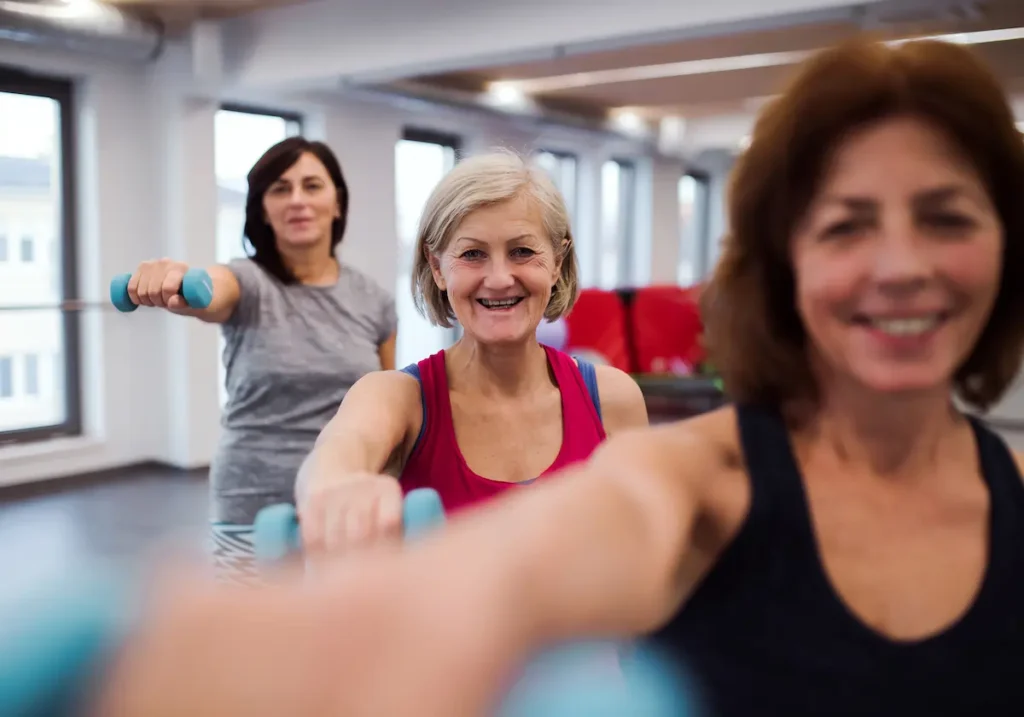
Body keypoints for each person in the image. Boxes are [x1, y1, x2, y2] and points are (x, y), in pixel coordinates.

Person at [87, 36, 1024, 717]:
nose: (902, 263)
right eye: (847, 224)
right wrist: (353, 557)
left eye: (947, 217)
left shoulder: (607, 392)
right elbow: (573, 534)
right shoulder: (711, 471)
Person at [295, 149, 649, 555]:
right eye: (472, 254)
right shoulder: (398, 398)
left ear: (557, 262)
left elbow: (643, 552)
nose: (499, 279)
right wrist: (334, 484)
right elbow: (344, 445)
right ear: (438, 267)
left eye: (522, 251)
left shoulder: (612, 399)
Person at [125, 137, 397, 582]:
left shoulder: (375, 301)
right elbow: (211, 289)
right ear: (262, 210)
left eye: (312, 185)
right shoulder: (247, 282)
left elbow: (387, 405)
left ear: (338, 204)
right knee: (251, 641)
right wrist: (179, 280)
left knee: (336, 638)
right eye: (279, 189)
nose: (297, 200)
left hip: (339, 503)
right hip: (251, 500)